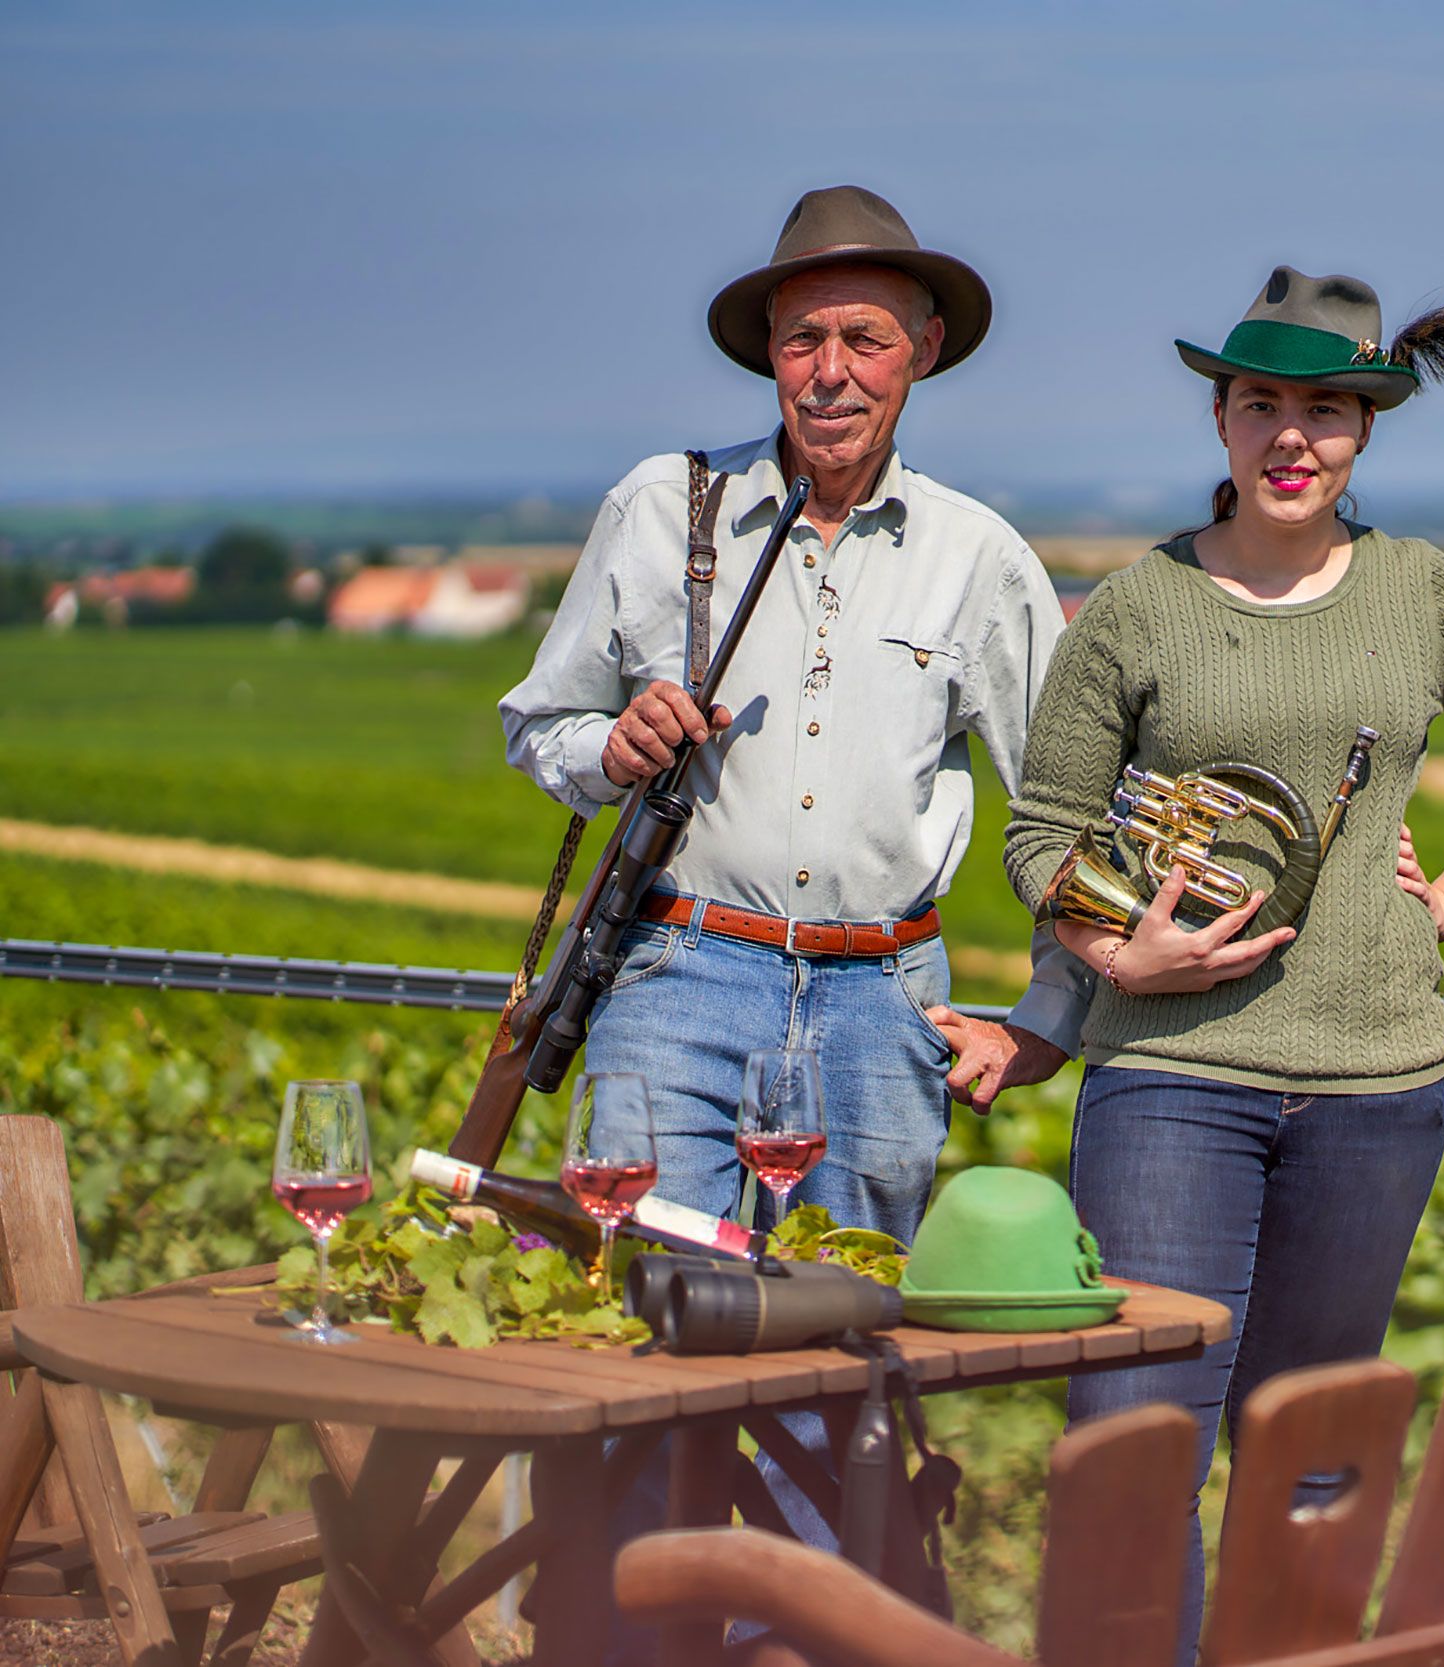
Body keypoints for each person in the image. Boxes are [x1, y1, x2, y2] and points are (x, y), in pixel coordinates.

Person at [498, 184, 1081, 1659]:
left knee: (838, 1375)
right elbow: (538, 723)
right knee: (634, 1348)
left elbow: (1064, 808)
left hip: (886, 1007)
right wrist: (607, 746)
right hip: (679, 973)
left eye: (865, 337)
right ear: (768, 350)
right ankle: (620, 1639)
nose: (831, 367)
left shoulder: (982, 556)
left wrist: (1047, 1015)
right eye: (804, 334)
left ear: (923, 352)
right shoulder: (663, 508)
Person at [996, 266, 1444, 1654]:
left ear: (1367, 429)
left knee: (1315, 1457)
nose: (1292, 436)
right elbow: (1042, 830)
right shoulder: (1139, 604)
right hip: (1170, 1079)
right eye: (1262, 402)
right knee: (1137, 1449)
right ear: (1220, 417)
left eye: (1325, 409)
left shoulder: (1419, 591)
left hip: (1377, 1086)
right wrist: (1111, 951)